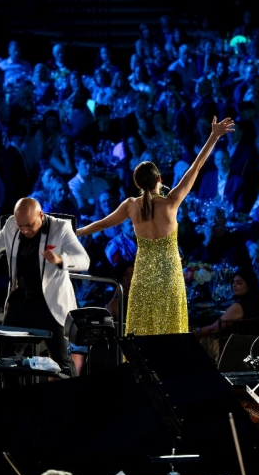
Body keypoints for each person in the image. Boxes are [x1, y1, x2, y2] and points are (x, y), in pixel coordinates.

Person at [75, 116, 235, 335]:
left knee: (143, 329)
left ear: (138, 184)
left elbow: (103, 223)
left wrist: (79, 231)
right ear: (159, 178)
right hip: (169, 273)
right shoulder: (171, 202)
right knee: (169, 329)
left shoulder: (131, 205)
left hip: (144, 272)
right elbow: (196, 167)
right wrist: (214, 136)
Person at [0, 198, 90, 374]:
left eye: (29, 225)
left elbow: (84, 260)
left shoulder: (60, 228)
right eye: (21, 226)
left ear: (41, 215)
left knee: (61, 361)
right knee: (4, 357)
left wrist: (60, 260)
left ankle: (74, 398)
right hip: (21, 300)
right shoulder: (12, 224)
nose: (25, 230)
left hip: (50, 303)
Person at [192, 267, 259, 337]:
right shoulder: (257, 303)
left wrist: (195, 332)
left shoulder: (238, 307)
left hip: (233, 345)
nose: (234, 285)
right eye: (233, 282)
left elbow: (213, 328)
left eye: (239, 283)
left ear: (249, 286)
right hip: (251, 343)